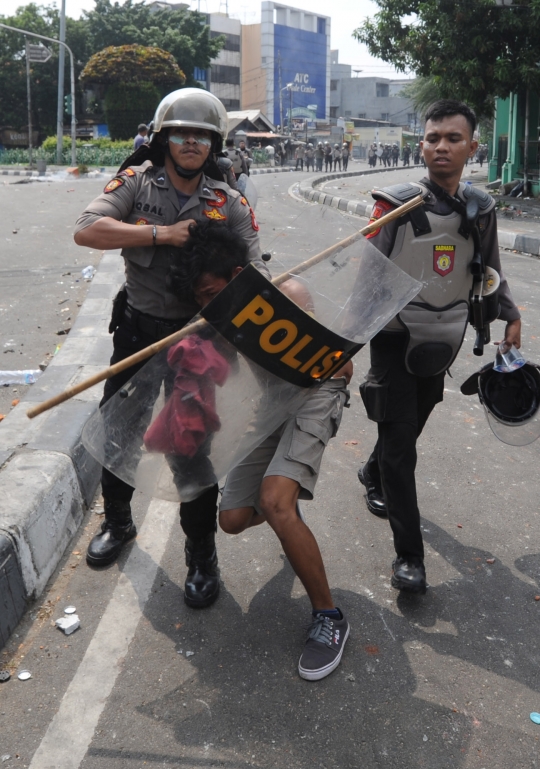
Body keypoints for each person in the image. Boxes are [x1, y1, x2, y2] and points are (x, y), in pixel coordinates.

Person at [73, 88, 269, 610]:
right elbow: (87, 230)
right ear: (163, 139)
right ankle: (118, 523)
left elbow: (258, 270)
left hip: (197, 344)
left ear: (213, 145)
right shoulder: (136, 185)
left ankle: (201, 557)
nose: (191, 142)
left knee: (191, 453)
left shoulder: (227, 202)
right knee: (120, 434)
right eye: (182, 132)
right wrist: (161, 234)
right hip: (138, 334)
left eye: (202, 136)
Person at [167, 219, 352, 680]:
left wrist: (332, 364)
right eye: (200, 300)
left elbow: (340, 365)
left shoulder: (286, 293)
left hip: (315, 395)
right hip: (273, 405)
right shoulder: (213, 319)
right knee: (231, 521)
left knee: (273, 500)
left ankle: (329, 618)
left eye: (213, 293)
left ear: (235, 274)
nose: (208, 306)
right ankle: (287, 513)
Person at [357, 99, 521, 595]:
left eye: (453, 138)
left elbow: (488, 270)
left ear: (473, 147)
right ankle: (410, 557)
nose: (441, 146)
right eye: (432, 138)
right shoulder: (395, 204)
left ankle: (371, 471)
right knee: (402, 446)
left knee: (411, 422)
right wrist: (343, 346)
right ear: (421, 144)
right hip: (394, 338)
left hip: (445, 335)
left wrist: (510, 314)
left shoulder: (481, 208)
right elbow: (366, 281)